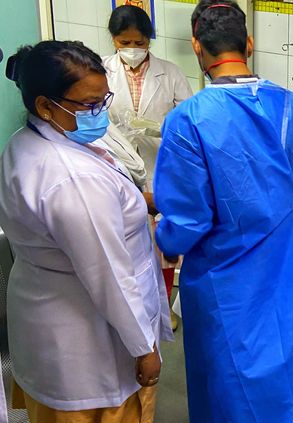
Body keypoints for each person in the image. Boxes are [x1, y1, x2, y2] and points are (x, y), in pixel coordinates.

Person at [152, 1, 293, 423]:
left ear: (197, 47)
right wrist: (271, 205)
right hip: (281, 266)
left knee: (225, 385)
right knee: (280, 370)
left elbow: (186, 222)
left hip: (222, 283)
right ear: (248, 44)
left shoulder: (189, 120)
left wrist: (163, 241)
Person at [0, 40, 172, 423]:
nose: (100, 112)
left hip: (48, 319)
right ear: (46, 105)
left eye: (103, 99)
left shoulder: (25, 143)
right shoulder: (71, 178)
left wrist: (143, 200)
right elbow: (108, 275)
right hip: (88, 343)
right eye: (89, 104)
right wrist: (143, 349)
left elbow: (93, 205)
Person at [104, 4, 193, 327]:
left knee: (163, 249)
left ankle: (165, 308)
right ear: (114, 40)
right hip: (117, 168)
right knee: (126, 244)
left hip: (162, 167)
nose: (132, 50)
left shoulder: (170, 73)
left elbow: (187, 117)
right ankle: (132, 313)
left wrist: (159, 128)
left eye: (139, 43)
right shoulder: (102, 71)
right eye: (124, 43)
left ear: (149, 41)